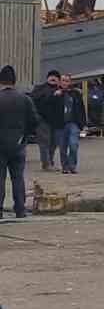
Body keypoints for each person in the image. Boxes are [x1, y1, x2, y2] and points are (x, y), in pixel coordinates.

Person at [0, 65, 38, 218]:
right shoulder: (25, 99)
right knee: (18, 177)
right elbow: (35, 121)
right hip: (18, 144)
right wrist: (25, 135)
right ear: (14, 81)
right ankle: (20, 209)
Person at [29, 70, 60, 171]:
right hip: (42, 120)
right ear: (47, 78)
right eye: (51, 76)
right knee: (44, 143)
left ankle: (49, 162)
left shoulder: (61, 89)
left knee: (54, 143)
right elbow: (33, 100)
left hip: (56, 121)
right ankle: (46, 164)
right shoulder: (40, 89)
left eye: (55, 77)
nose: (53, 78)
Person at [56, 73, 85, 174]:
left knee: (73, 145)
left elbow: (81, 109)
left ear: (70, 82)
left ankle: (72, 166)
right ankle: (65, 167)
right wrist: (55, 96)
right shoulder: (56, 93)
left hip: (73, 123)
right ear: (60, 81)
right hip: (61, 124)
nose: (65, 83)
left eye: (67, 81)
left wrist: (82, 124)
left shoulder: (75, 93)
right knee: (62, 147)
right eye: (63, 80)